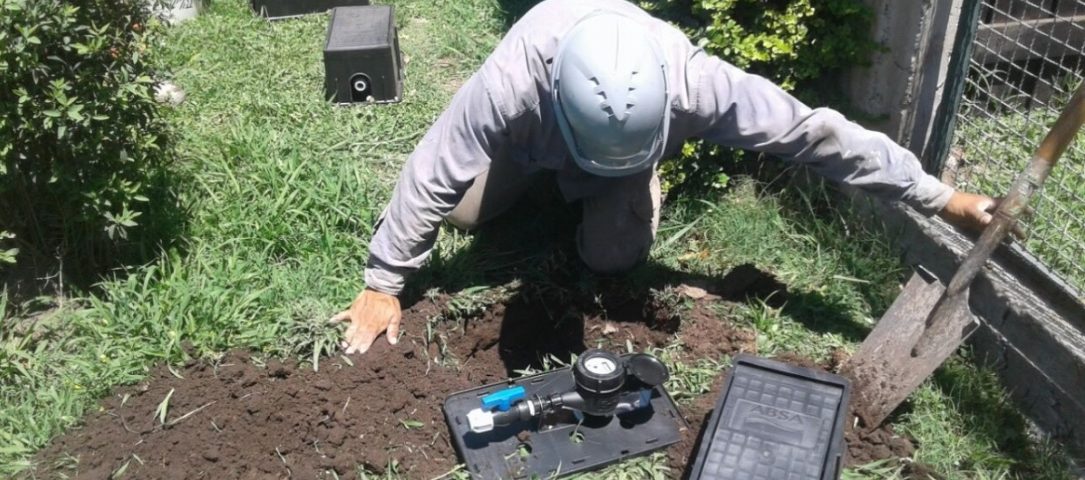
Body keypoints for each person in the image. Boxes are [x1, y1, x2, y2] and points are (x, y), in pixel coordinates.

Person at [329, 0, 997, 354]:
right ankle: (546, 179)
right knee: (462, 210)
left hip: (612, 167)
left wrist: (938, 196)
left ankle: (621, 189)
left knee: (613, 259)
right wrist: (382, 282)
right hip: (531, 148)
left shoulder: (696, 84)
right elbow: (433, 165)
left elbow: (813, 131)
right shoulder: (513, 80)